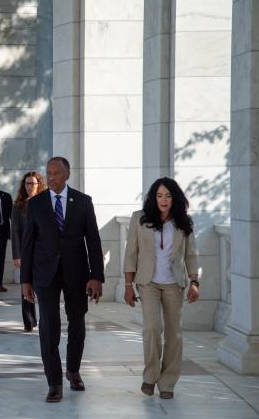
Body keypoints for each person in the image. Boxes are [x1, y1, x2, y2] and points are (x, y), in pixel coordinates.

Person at [20, 157, 104, 403]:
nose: (52, 177)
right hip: (44, 273)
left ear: (67, 174)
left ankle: (73, 371)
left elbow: (93, 241)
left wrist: (96, 276)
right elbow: (27, 244)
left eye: (57, 173)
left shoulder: (83, 202)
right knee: (48, 326)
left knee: (77, 322)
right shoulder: (36, 204)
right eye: (49, 173)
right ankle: (54, 382)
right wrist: (25, 279)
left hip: (77, 273)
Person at [123, 177, 200, 400]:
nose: (163, 200)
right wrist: (128, 285)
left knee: (174, 334)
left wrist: (194, 282)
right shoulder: (140, 219)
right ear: (153, 198)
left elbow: (191, 255)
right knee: (152, 328)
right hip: (148, 282)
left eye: (167, 196)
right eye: (159, 195)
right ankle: (150, 376)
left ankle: (168, 382)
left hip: (174, 284)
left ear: (174, 198)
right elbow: (131, 253)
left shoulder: (184, 222)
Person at [11, 171, 46, 331]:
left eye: (32, 183)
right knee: (26, 287)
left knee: (44, 286)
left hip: (43, 253)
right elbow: (15, 232)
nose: (29, 187)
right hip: (25, 253)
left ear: (39, 185)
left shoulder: (46, 203)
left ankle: (46, 319)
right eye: (26, 183)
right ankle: (29, 321)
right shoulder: (18, 206)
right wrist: (17, 255)